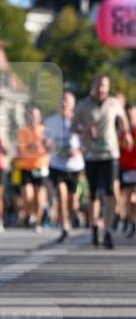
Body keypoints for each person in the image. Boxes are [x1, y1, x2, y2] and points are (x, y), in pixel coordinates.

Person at [72, 74, 131, 249]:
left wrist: (125, 133)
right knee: (93, 193)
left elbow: (123, 120)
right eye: (98, 85)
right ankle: (94, 226)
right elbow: (73, 126)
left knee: (110, 192)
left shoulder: (113, 103)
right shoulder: (83, 105)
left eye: (104, 86)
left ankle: (107, 230)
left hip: (110, 153)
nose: (100, 89)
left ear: (108, 87)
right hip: (91, 155)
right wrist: (83, 131)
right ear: (93, 86)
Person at [44, 92, 85, 243]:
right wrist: (47, 145)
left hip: (74, 165)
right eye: (62, 101)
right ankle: (65, 227)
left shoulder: (78, 121)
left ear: (72, 105)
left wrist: (78, 151)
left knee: (72, 200)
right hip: (57, 164)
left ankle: (74, 212)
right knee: (61, 195)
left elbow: (86, 141)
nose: (64, 104)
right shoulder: (50, 121)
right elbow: (45, 140)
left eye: (67, 102)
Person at [16, 107, 50, 232]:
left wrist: (45, 145)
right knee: (27, 193)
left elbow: (49, 146)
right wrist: (30, 146)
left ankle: (38, 220)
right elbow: (20, 148)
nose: (33, 119)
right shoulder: (22, 130)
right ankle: (30, 214)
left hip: (40, 165)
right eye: (31, 116)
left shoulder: (44, 130)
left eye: (35, 116)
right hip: (25, 166)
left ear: (39, 118)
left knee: (39, 196)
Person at [118, 103, 136, 237]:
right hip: (125, 168)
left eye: (132, 112)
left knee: (134, 198)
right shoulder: (121, 132)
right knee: (128, 198)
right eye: (128, 112)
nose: (130, 115)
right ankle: (132, 222)